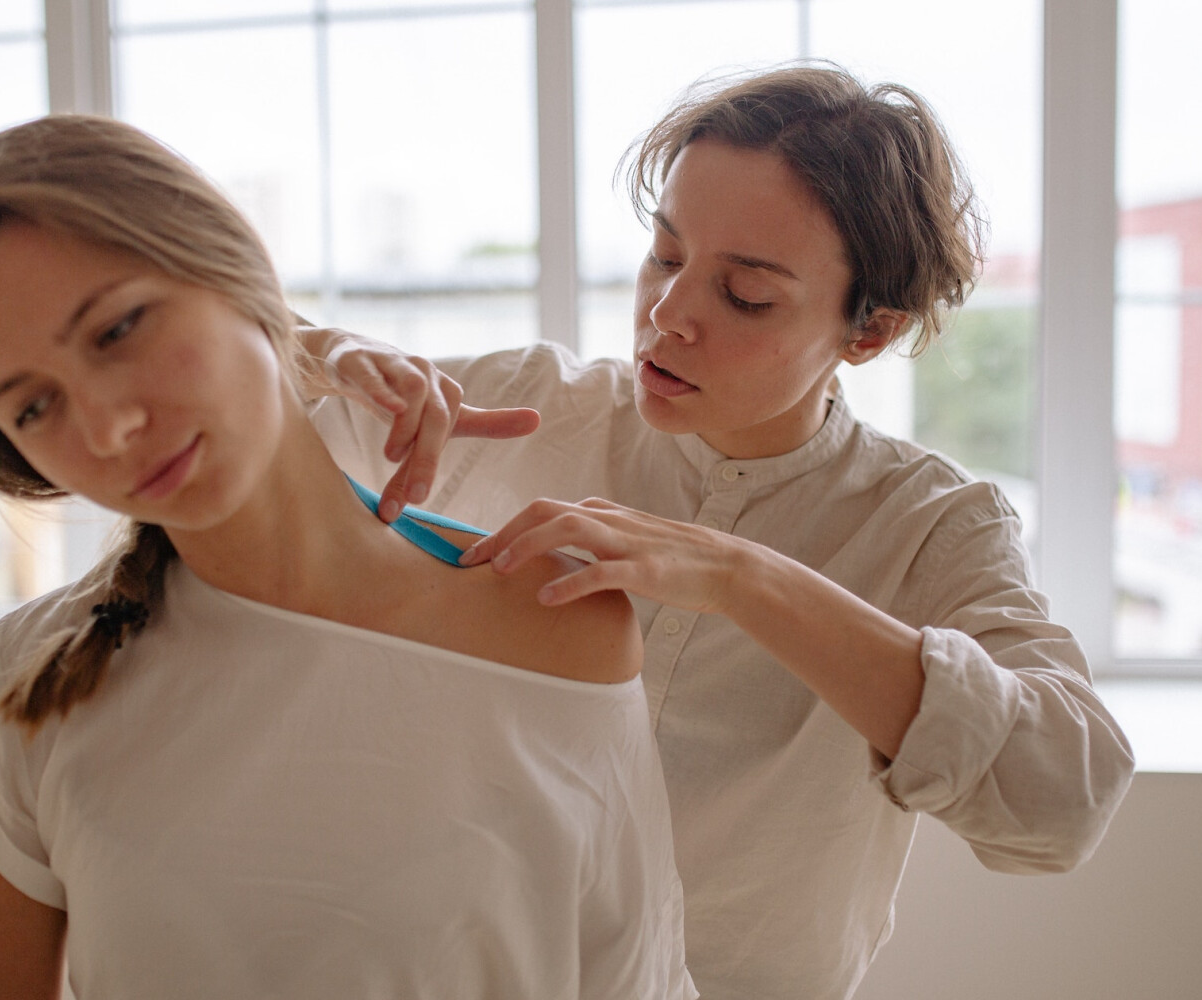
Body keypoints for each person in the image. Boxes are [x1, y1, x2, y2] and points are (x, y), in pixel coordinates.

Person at [304, 63, 1137, 999]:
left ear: (869, 332)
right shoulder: (533, 407)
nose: (667, 315)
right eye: (664, 255)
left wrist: (740, 574)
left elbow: (1064, 802)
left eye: (743, 295)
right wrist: (318, 352)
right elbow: (210, 397)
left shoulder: (930, 527)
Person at [0, 114, 695, 999]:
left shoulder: (551, 614)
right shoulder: (18, 693)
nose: (109, 427)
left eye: (118, 330)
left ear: (237, 269)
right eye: (34, 408)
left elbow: (635, 977)